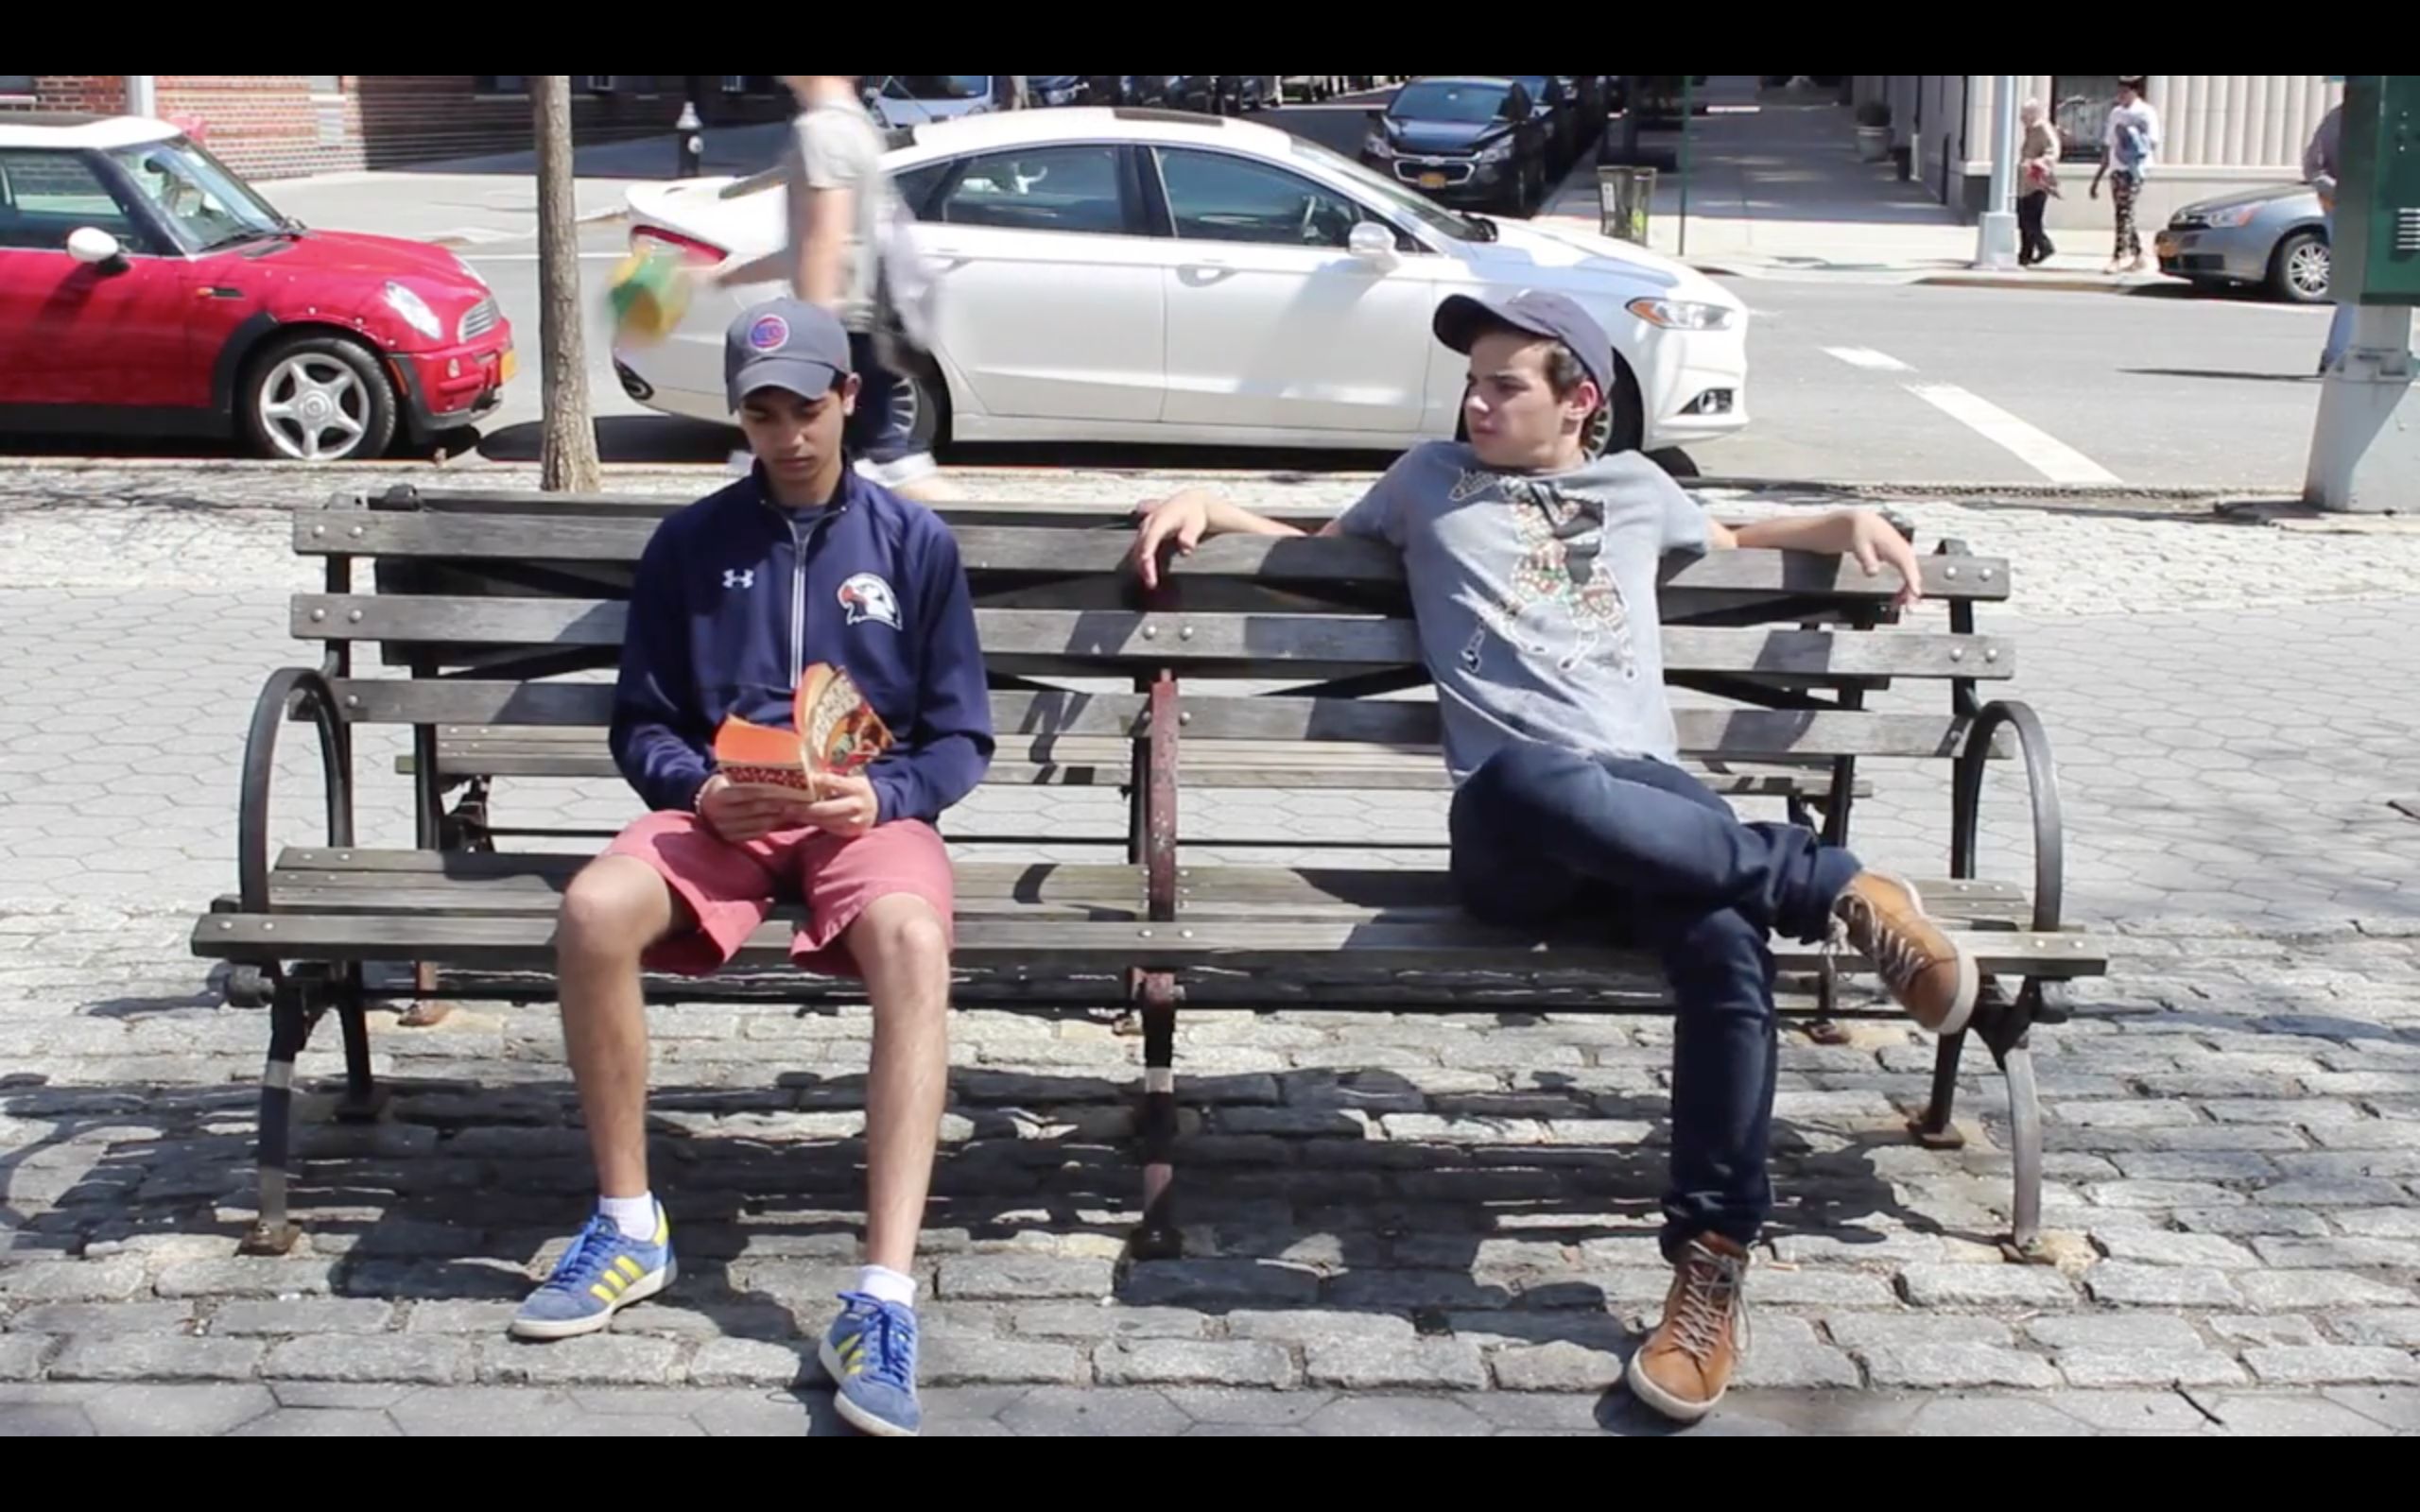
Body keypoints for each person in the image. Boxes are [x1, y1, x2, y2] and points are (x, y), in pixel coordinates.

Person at [1124, 290, 1980, 1426]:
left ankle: (1709, 1265)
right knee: (1531, 772)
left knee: (1723, 941)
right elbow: (1314, 550)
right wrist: (1207, 503)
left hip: (1655, 805)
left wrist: (1843, 520)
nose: (1475, 404)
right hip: (1513, 824)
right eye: (1470, 384)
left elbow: (1729, 541)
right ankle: (1830, 885)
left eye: (1503, 385)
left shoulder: (1638, 489)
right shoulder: (1425, 481)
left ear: (1578, 400)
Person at [510, 296, 994, 1441]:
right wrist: (694, 790)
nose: (787, 434)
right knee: (593, 908)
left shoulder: (913, 544)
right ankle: (628, 1223)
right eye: (762, 413)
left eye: (805, 408)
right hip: (725, 813)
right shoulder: (690, 543)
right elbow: (642, 722)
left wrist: (885, 796)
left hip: (859, 813)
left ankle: (880, 1296)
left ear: (848, 399)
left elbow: (960, 736)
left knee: (914, 941)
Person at [714, 74, 954, 501]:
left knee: (883, 465)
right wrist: (725, 276)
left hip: (842, 329)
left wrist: (811, 338)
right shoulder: (854, 122)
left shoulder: (822, 130)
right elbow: (814, 244)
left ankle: (968, 537)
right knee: (871, 463)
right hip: (858, 323)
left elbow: (826, 238)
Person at [2090, 77, 2159, 274]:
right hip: (2117, 166)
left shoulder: (2145, 112)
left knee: (2124, 211)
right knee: (2123, 212)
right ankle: (2138, 255)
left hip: (2135, 168)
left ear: (2135, 91)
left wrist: (2132, 137)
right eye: (2119, 91)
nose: (2121, 95)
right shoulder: (2116, 113)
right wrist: (2099, 175)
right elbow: (2108, 143)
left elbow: (2152, 142)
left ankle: (2119, 256)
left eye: (2125, 92)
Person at [2306, 100, 2352, 376]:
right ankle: (2336, 356)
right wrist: (2341, 192)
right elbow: (2314, 168)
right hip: (2345, 212)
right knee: (2352, 288)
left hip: (2389, 212)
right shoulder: (2340, 117)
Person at [2016, 98, 2061, 269]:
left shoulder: (2042, 128)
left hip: (2037, 180)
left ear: (2033, 114)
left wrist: (2037, 162)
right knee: (2024, 219)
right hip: (2026, 181)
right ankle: (2025, 254)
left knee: (2031, 219)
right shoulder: (2030, 129)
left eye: (2025, 114)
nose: (2022, 118)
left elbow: (2053, 151)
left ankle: (2044, 247)